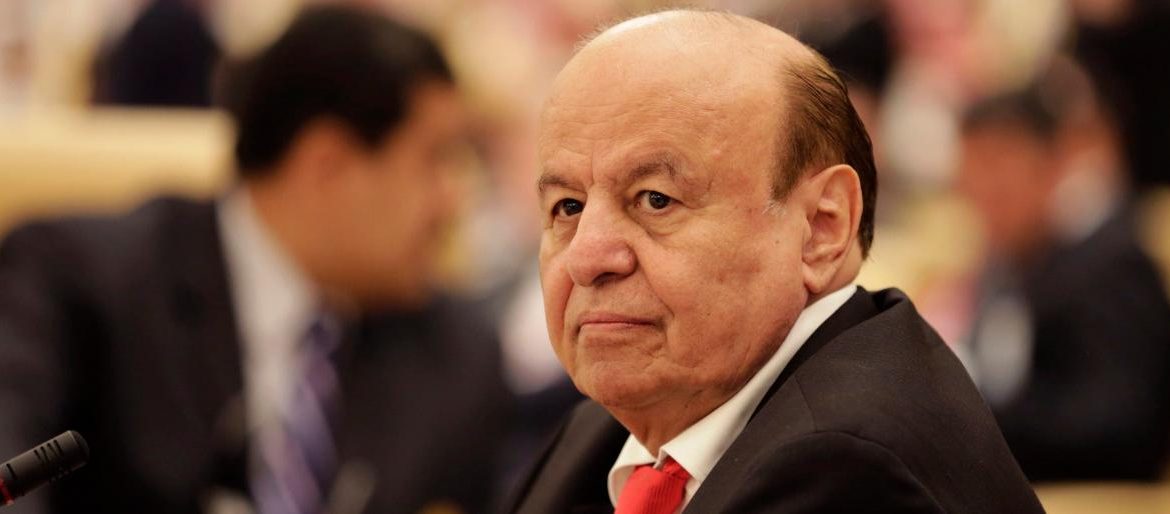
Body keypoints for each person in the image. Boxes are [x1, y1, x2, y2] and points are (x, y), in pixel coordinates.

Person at [509, 10, 1042, 513]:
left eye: (655, 199)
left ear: (822, 227)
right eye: (568, 207)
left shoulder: (846, 468)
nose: (587, 257)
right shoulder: (604, 433)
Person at [0, 5, 509, 514]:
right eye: (435, 159)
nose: (455, 200)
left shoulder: (458, 357)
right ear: (327, 166)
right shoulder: (78, 280)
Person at [955, 74, 1170, 481]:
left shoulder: (1109, 266)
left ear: (1052, 168)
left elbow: (1123, 425)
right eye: (973, 171)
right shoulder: (1005, 263)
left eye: (999, 170)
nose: (984, 192)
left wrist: (976, 420)